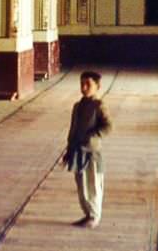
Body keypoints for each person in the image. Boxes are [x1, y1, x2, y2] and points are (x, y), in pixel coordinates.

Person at [62, 70, 112, 229]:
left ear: (97, 86)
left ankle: (94, 216)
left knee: (93, 184)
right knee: (82, 186)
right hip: (77, 151)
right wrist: (69, 150)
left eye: (88, 84)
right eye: (82, 84)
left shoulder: (99, 105)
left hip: (91, 152)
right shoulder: (78, 106)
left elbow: (108, 126)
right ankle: (87, 214)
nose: (84, 87)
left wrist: (93, 136)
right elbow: (73, 129)